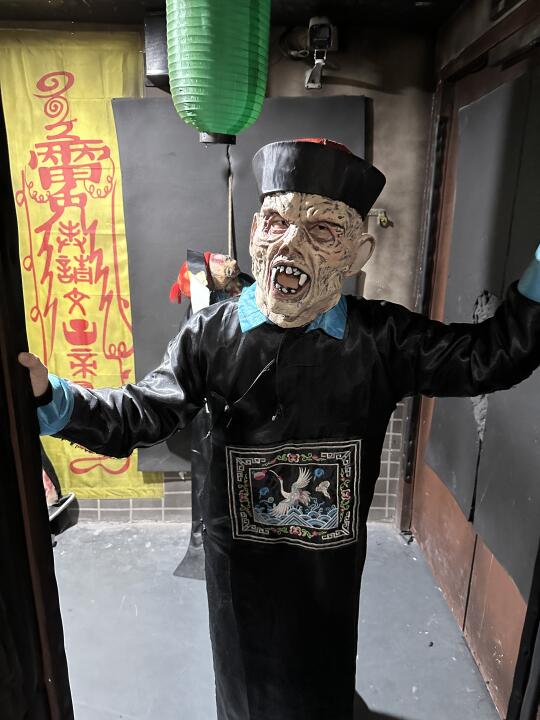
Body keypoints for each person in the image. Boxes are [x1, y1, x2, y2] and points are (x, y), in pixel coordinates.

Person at [19, 138, 540, 720]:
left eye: (322, 230)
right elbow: (140, 414)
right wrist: (49, 397)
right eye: (275, 222)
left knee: (321, 684)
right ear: (253, 236)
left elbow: (487, 357)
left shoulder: (382, 340)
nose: (290, 244)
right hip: (239, 567)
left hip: (327, 571)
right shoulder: (211, 336)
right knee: (242, 689)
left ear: (357, 253)